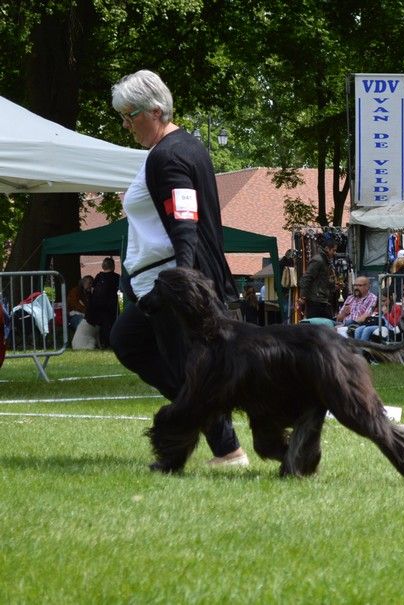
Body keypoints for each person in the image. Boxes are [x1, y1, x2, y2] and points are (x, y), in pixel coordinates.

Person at [109, 69, 247, 467]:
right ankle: (208, 424)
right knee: (128, 339)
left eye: (129, 115)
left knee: (181, 364)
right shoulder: (182, 148)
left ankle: (224, 446)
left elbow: (185, 224)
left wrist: (180, 284)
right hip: (166, 279)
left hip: (171, 280)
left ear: (155, 111)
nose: (126, 124)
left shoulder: (169, 155)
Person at [299, 232, 338, 319]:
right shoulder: (318, 260)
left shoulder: (326, 261)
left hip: (322, 300)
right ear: (327, 248)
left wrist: (333, 285)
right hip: (316, 301)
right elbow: (307, 278)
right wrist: (303, 296)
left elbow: (323, 280)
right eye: (334, 250)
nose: (335, 253)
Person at [86, 257, 120, 349]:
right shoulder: (116, 277)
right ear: (113, 266)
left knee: (100, 326)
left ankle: (102, 343)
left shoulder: (98, 276)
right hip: (110, 306)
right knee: (110, 325)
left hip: (97, 306)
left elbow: (92, 290)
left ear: (103, 266)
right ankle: (110, 343)